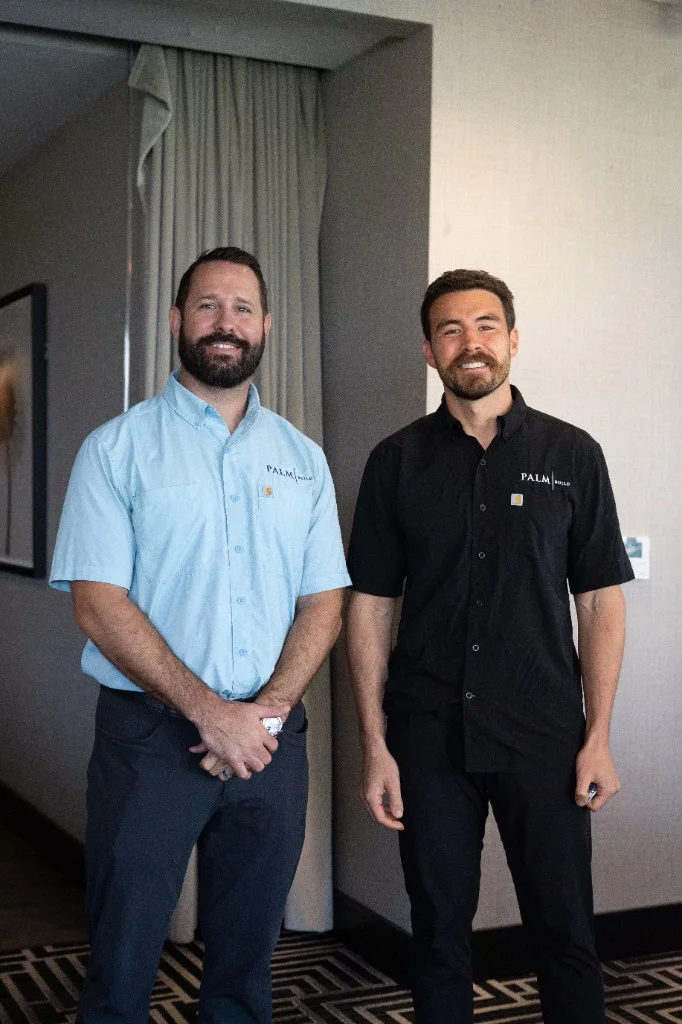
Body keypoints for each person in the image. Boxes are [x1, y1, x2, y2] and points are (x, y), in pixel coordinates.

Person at [50, 246, 350, 1024]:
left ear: (266, 327)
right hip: (149, 740)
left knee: (247, 966)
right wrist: (209, 712)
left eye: (242, 308)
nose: (226, 323)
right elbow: (98, 603)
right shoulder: (114, 450)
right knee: (122, 960)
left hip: (272, 744)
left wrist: (267, 712)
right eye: (208, 306)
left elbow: (324, 601)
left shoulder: (302, 460)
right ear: (179, 321)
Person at [345, 269, 634, 1024]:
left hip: (544, 733)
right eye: (450, 329)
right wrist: (375, 743)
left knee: (565, 932)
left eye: (484, 325)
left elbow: (600, 601)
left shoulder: (572, 454)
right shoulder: (395, 461)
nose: (469, 342)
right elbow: (370, 604)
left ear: (512, 339)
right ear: (429, 350)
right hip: (427, 736)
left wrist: (598, 736)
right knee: (438, 935)